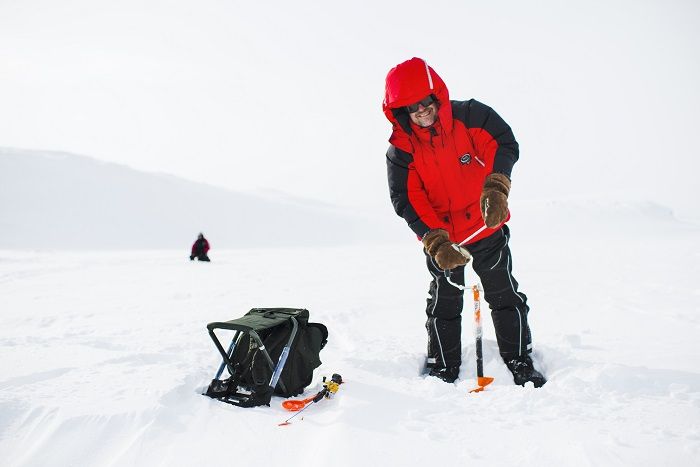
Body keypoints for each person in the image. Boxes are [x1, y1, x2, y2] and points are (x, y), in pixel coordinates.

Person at [383, 57, 545, 387]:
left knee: (503, 293)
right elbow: (408, 199)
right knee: (444, 300)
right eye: (413, 109)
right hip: (445, 239)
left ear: (435, 97)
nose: (422, 112)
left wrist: (497, 186)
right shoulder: (401, 151)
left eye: (425, 103)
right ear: (402, 112)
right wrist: (436, 240)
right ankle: (443, 366)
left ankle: (519, 359)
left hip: (486, 224)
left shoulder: (470, 115)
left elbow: (504, 142)